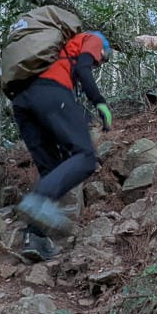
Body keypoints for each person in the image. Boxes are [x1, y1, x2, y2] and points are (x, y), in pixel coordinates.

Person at [10, 30, 114, 262]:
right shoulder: (93, 38)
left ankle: (34, 239)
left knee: (53, 170)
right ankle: (37, 200)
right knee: (86, 157)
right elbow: (83, 69)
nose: (99, 62)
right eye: (103, 58)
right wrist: (100, 103)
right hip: (50, 92)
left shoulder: (52, 56)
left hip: (22, 102)